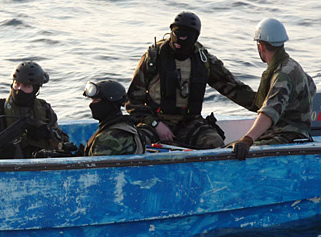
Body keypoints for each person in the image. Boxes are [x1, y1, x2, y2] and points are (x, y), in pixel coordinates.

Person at [127, 11, 256, 149]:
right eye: (176, 34)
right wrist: (155, 124)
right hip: (157, 121)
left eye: (184, 37)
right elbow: (132, 102)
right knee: (133, 143)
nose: (178, 42)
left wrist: (265, 109)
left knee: (213, 142)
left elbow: (234, 89)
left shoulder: (204, 61)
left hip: (190, 123)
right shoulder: (153, 58)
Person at [232, 18, 317, 160]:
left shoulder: (282, 75)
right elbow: (312, 88)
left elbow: (270, 112)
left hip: (286, 138)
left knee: (230, 150)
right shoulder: (293, 65)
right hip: (299, 136)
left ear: (261, 46)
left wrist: (247, 139)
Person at [0, 61, 70, 159]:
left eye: (26, 86)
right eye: (17, 84)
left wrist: (47, 132)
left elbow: (62, 142)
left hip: (38, 162)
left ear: (35, 89)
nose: (19, 89)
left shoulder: (44, 109)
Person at [82, 80, 145, 156]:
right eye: (92, 100)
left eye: (96, 100)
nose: (91, 105)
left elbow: (95, 162)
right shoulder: (124, 125)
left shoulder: (110, 138)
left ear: (109, 104)